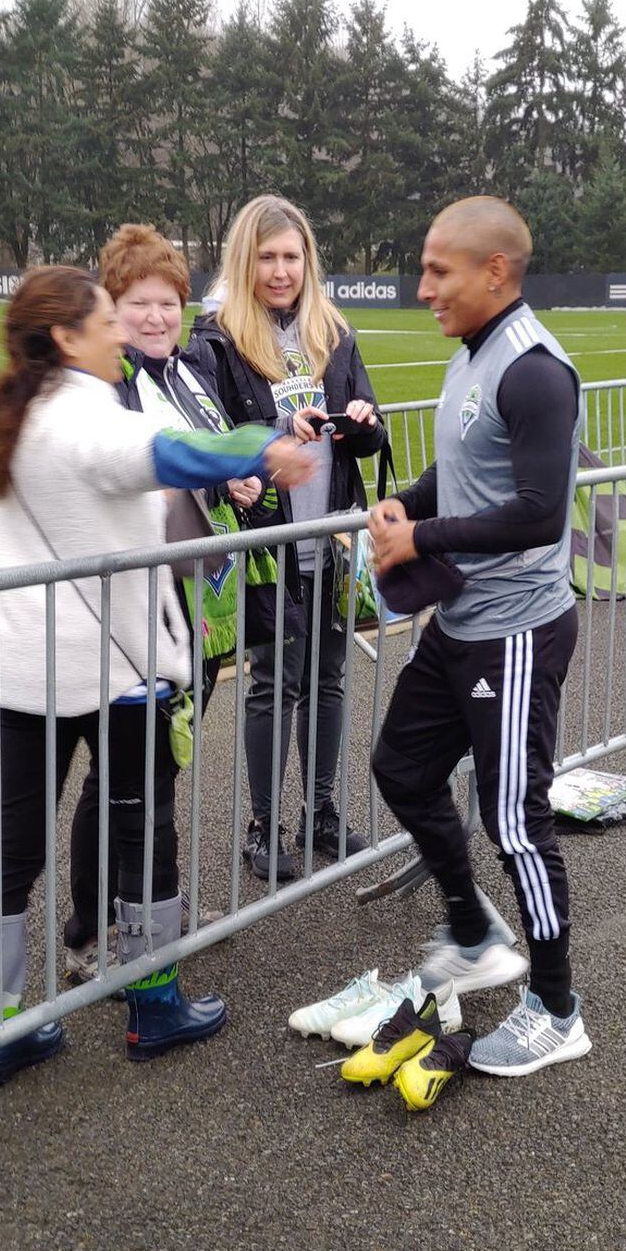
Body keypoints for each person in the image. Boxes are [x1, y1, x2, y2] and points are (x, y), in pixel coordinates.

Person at [0, 266, 312, 1086]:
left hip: (28, 673)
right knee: (144, 830)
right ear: (65, 338)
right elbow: (159, 451)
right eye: (105, 321)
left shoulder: (14, 411)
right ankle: (154, 1005)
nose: (122, 333)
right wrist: (260, 445)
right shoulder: (81, 412)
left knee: (16, 849)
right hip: (116, 667)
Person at [369, 196, 591, 1078]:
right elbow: (463, 468)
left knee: (516, 821)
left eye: (439, 271)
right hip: (462, 620)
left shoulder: (535, 371)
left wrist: (419, 538)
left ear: (494, 271)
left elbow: (539, 512)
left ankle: (558, 1008)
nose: (423, 288)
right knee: (401, 767)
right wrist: (407, 504)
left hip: (517, 631)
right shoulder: (472, 353)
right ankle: (472, 930)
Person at [62, 224, 265, 983]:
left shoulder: (191, 372)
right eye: (139, 303)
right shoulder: (108, 389)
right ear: (112, 309)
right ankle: (94, 929)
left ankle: (150, 910)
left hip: (199, 605)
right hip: (134, 612)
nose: (156, 317)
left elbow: (207, 457)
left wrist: (237, 479)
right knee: (119, 777)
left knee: (160, 768)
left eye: (169, 303)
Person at [189, 194, 386, 880]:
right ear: (246, 260)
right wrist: (276, 433)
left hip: (331, 538)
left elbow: (373, 430)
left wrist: (362, 421)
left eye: (292, 257)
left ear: (309, 261)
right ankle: (262, 827)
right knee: (274, 684)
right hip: (267, 544)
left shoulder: (333, 330)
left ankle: (321, 813)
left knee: (329, 678)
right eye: (267, 257)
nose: (280, 271)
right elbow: (206, 438)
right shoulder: (217, 338)